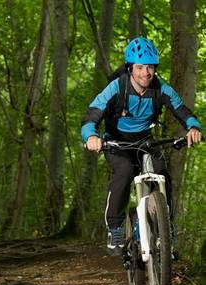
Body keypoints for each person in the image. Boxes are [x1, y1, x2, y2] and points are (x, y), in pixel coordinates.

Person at [81, 36, 202, 256]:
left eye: (150, 67)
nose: (145, 73)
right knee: (124, 171)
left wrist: (193, 127)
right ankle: (115, 228)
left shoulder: (160, 89)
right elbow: (91, 116)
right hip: (116, 142)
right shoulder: (116, 88)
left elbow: (182, 110)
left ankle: (167, 229)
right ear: (130, 67)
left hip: (145, 140)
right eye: (140, 67)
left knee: (162, 175)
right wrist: (91, 136)